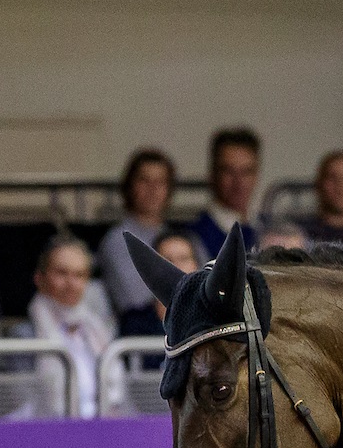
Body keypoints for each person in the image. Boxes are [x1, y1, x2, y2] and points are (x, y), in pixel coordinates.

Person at [13, 235, 119, 416]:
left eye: (79, 275)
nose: (71, 283)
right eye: (61, 273)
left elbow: (121, 398)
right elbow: (22, 404)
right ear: (40, 278)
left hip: (105, 430)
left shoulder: (100, 329)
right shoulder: (24, 335)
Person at [99, 148, 175, 323]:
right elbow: (135, 299)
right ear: (130, 185)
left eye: (160, 182)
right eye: (144, 180)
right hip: (141, 331)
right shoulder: (117, 240)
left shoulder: (183, 238)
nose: (153, 189)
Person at [187, 128, 260, 258]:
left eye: (246, 172)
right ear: (213, 173)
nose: (239, 182)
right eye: (229, 171)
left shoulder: (265, 230)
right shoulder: (194, 238)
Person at [123, 229, 201, 335]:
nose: (176, 266)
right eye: (167, 260)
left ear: (196, 265)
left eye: (183, 259)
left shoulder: (211, 319)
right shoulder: (135, 323)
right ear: (153, 269)